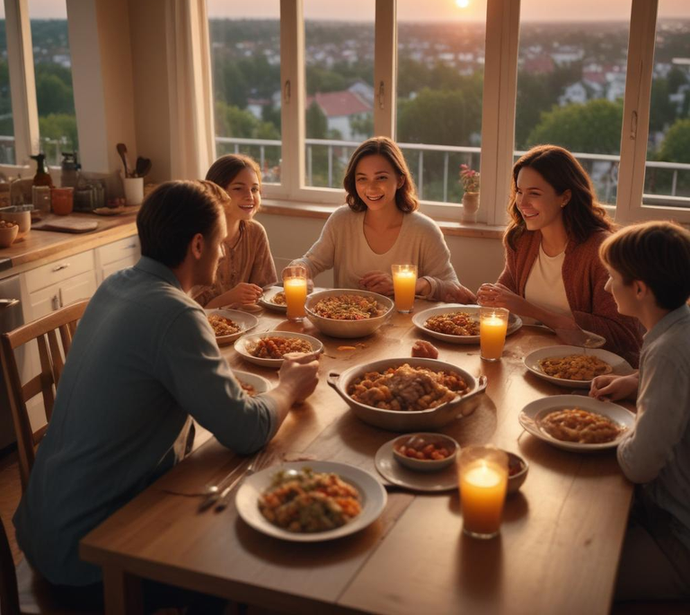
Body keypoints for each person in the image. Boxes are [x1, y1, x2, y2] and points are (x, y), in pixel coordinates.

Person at [13, 181, 319, 609]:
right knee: (254, 568)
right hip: (90, 556)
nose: (224, 252)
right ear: (197, 245)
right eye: (220, 243)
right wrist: (290, 386)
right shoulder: (176, 313)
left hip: (44, 528)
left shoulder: (115, 285)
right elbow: (246, 430)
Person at [588, 220, 690, 601]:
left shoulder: (668, 351)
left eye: (612, 277)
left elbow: (639, 464)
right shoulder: (677, 329)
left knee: (567, 575)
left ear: (640, 289)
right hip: (664, 515)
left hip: (676, 536)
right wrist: (635, 380)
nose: (605, 286)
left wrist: (605, 430)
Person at [477, 144, 641, 365]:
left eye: (534, 193)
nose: (522, 203)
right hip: (528, 360)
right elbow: (505, 298)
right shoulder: (521, 239)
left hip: (587, 374)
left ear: (564, 197)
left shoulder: (600, 250)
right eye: (519, 191)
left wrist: (535, 311)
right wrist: (490, 297)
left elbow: (622, 336)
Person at [291, 136, 475, 303]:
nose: (371, 188)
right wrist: (297, 270)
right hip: (345, 327)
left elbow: (455, 290)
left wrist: (409, 285)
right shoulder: (342, 220)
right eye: (362, 179)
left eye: (381, 178)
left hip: (403, 333)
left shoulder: (424, 230)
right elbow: (311, 263)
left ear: (400, 180)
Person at [195, 154, 277, 308]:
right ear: (217, 192)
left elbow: (266, 292)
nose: (250, 196)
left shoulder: (255, 232)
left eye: (254, 189)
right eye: (238, 188)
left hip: (247, 325)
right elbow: (190, 312)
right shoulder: (198, 240)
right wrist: (229, 298)